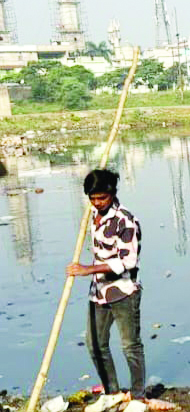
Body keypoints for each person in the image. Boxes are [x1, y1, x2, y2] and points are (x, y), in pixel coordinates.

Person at [66, 169, 145, 399]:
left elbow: (128, 261)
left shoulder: (126, 220)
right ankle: (112, 392)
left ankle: (138, 395)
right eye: (93, 198)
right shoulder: (91, 216)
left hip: (123, 291)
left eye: (102, 198)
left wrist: (87, 269)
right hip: (98, 292)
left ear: (113, 193)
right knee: (95, 344)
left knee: (130, 346)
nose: (97, 202)